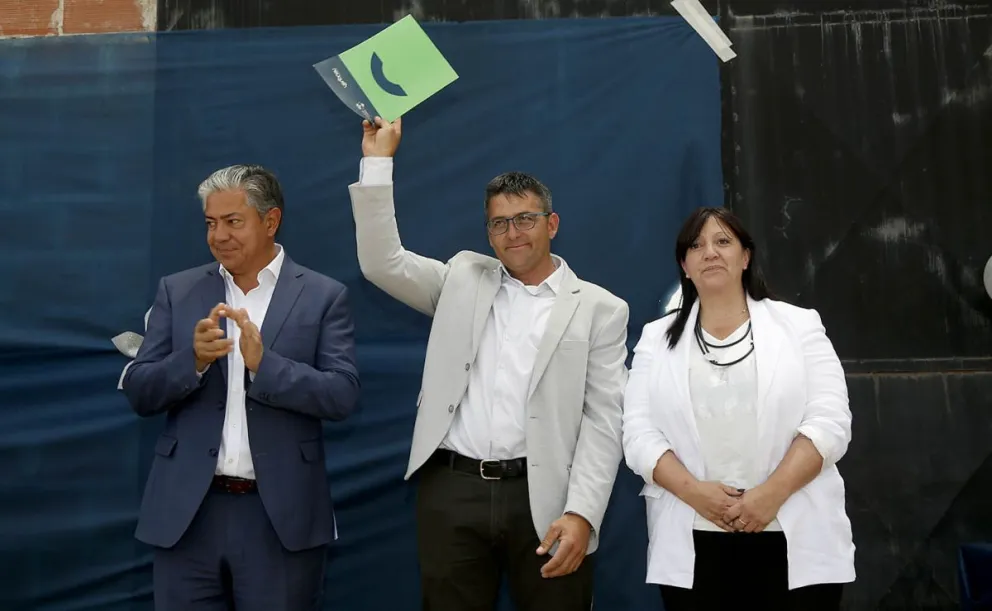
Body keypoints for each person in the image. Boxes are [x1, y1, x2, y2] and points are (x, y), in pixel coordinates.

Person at [349, 117, 629, 611]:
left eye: (525, 219)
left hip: (547, 498)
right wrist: (377, 162)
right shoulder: (461, 277)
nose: (512, 233)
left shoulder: (600, 309)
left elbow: (604, 421)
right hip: (453, 490)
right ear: (489, 233)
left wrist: (582, 513)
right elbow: (381, 262)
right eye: (499, 223)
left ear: (552, 224)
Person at [121, 164, 360, 611]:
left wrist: (265, 366)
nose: (219, 236)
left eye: (233, 221)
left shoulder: (323, 296)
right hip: (187, 514)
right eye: (211, 223)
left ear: (271, 221)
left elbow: (341, 394)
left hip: (279, 517)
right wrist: (192, 361)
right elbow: (139, 390)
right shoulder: (178, 290)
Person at [621, 206, 855, 610]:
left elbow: (829, 423)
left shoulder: (800, 326)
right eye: (696, 246)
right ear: (685, 266)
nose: (710, 252)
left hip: (793, 535)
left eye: (723, 241)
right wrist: (697, 495)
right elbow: (638, 435)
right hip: (693, 539)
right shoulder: (655, 339)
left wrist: (770, 495)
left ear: (745, 257)